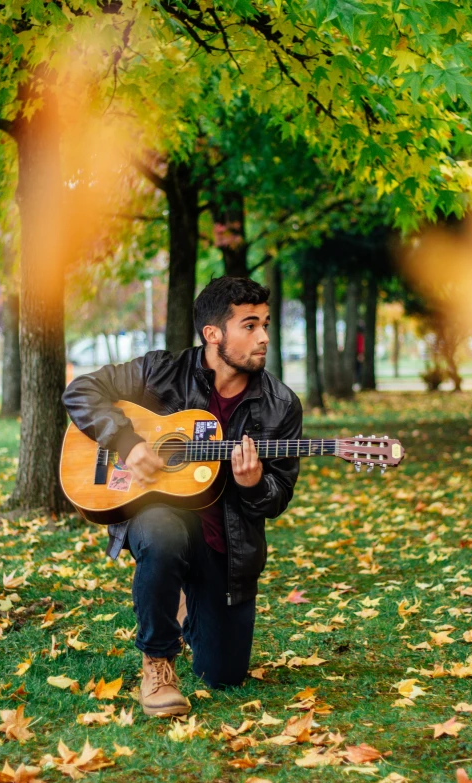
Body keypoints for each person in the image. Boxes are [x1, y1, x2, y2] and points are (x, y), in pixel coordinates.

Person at [62, 277, 303, 717]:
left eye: (265, 324)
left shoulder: (280, 405)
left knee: (224, 675)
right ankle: (157, 661)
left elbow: (278, 494)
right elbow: (81, 391)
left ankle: (189, 598)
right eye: (250, 325)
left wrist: (252, 486)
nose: (265, 336)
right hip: (159, 517)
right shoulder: (161, 370)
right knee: (162, 531)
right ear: (213, 334)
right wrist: (129, 443)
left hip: (225, 547)